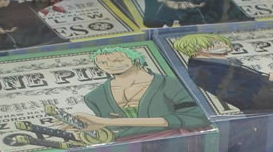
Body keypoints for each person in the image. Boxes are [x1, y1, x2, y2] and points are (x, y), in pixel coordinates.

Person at [72, 46, 207, 139]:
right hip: (123, 148)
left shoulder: (171, 84)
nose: (110, 65)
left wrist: (105, 121)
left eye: (117, 60)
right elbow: (108, 129)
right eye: (102, 62)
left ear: (135, 59)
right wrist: (83, 128)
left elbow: (197, 118)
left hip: (173, 141)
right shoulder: (95, 96)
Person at [171, 33, 273, 112]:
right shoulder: (205, 71)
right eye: (215, 43)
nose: (224, 45)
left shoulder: (225, 65)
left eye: (221, 42)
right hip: (270, 120)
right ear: (198, 49)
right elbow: (245, 97)